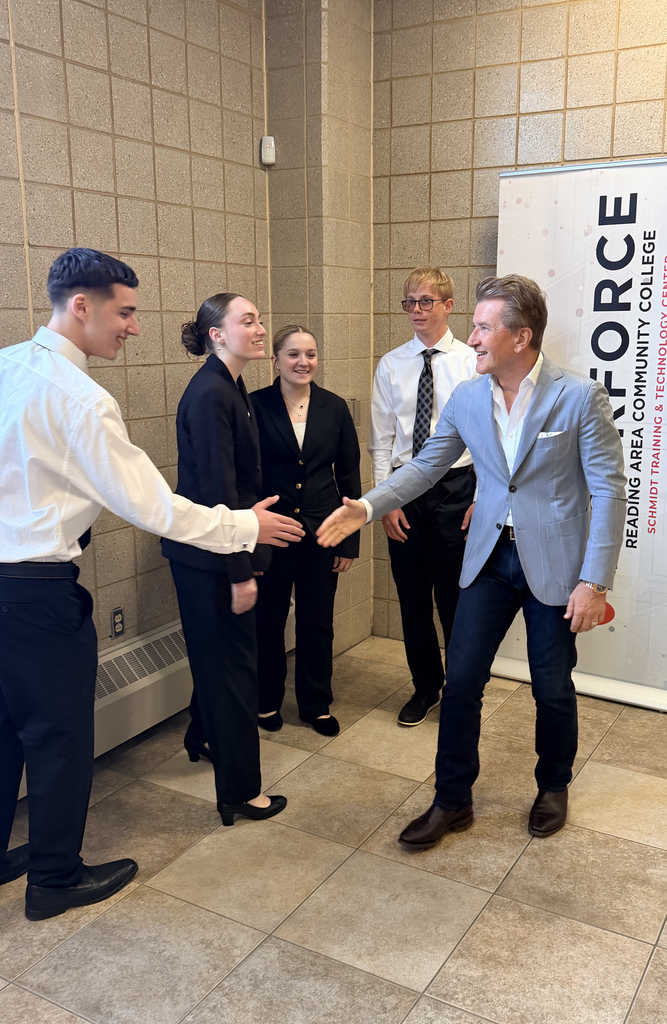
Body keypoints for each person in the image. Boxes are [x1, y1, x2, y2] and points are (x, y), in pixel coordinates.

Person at [0, 252, 303, 920]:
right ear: (82, 306)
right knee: (58, 735)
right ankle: (54, 878)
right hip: (31, 592)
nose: (134, 327)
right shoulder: (79, 398)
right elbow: (154, 506)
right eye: (125, 311)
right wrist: (243, 528)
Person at [318, 274, 626, 847]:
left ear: (521, 336)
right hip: (486, 557)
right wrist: (365, 506)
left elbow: (610, 492)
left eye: (484, 327)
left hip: (556, 566)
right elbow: (426, 466)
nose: (475, 338)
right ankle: (452, 799)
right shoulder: (466, 397)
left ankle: (553, 784)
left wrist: (594, 581)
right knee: (460, 681)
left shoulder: (579, 398)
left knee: (550, 685)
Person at [162, 293, 288, 826]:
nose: (261, 329)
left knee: (219, 659)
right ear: (217, 334)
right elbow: (217, 490)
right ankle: (241, 792)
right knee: (235, 670)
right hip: (212, 556)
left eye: (260, 319)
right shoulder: (212, 393)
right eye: (249, 321)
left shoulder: (229, 384)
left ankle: (202, 735)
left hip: (215, 547)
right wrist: (242, 571)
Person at [370, 267, 476, 727]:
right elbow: (380, 440)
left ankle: (460, 691)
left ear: (448, 306)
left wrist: (484, 498)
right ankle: (425, 688)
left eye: (425, 302)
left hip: (458, 489)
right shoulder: (392, 364)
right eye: (409, 302)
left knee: (456, 600)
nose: (415, 310)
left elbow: (491, 437)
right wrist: (383, 502)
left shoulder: (472, 361)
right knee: (412, 599)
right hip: (405, 490)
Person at [252, 326, 361, 737]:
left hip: (324, 532)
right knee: (269, 620)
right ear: (275, 360)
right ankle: (266, 702)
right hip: (273, 532)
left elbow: (350, 477)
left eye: (311, 354)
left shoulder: (334, 408)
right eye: (293, 354)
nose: (303, 362)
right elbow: (247, 475)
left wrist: (349, 539)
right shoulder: (254, 407)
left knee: (318, 623)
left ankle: (316, 704)